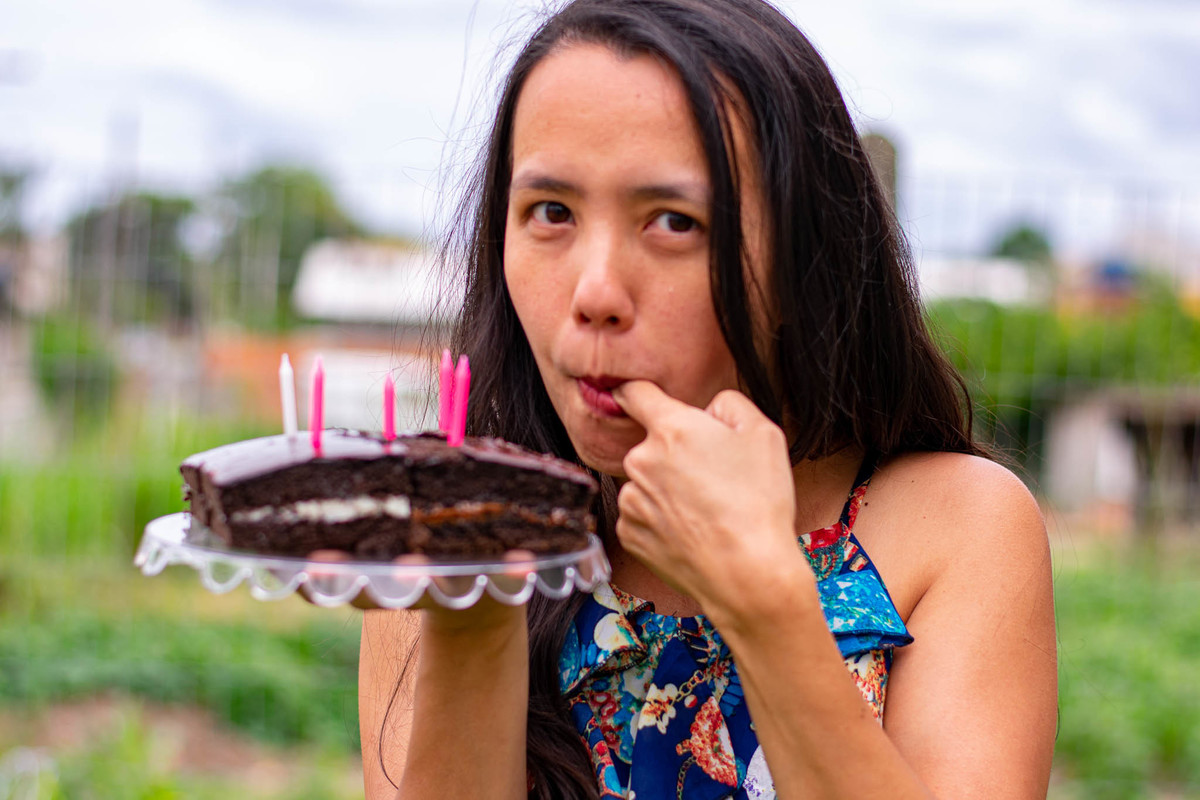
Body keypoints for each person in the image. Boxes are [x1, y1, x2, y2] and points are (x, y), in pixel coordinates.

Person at [359, 0, 1058, 797]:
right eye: (551, 213)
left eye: (672, 222)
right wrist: (477, 614)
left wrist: (761, 597)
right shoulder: (441, 532)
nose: (595, 293)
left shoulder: (957, 529)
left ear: (804, 256)